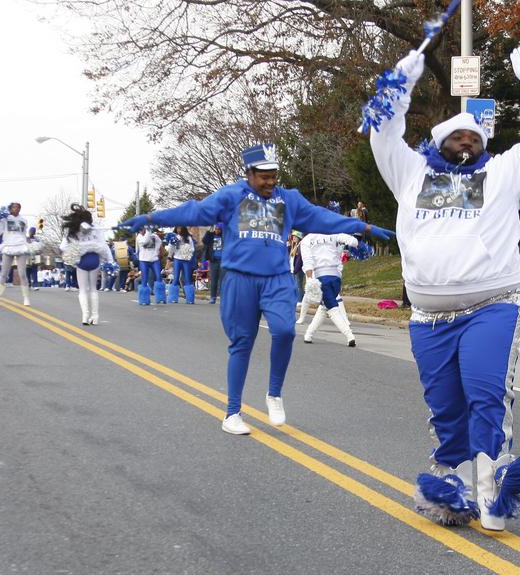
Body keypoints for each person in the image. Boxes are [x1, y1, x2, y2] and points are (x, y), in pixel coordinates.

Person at [370, 46, 520, 531]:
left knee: (485, 395)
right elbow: (383, 131)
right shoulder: (410, 172)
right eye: (457, 136)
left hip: (491, 306)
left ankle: (492, 487)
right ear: (439, 141)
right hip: (428, 317)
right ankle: (454, 485)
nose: (466, 141)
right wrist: (401, 81)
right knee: (446, 407)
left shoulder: (503, 174)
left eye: (475, 136)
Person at [119, 142, 393, 435]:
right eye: (264, 176)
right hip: (240, 279)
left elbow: (321, 217)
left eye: (274, 175)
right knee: (242, 343)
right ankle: (232, 413)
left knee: (285, 331)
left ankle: (274, 393)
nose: (270, 182)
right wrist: (151, 218)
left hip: (276, 279)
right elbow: (192, 212)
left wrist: (361, 227)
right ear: (249, 173)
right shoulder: (231, 196)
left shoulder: (288, 200)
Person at [300, 232, 358, 346]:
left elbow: (308, 262)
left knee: (332, 308)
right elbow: (353, 241)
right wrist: (358, 245)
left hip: (322, 277)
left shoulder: (307, 239)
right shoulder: (334, 232)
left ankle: (350, 336)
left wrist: (310, 280)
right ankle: (309, 334)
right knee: (324, 307)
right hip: (336, 277)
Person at [59, 204, 114, 325]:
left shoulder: (74, 231)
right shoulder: (96, 230)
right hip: (94, 259)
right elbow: (104, 247)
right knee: (93, 288)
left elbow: (63, 247)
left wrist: (75, 248)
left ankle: (85, 316)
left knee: (83, 290)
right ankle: (95, 317)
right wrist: (110, 261)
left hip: (82, 261)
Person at [0, 202, 32, 306]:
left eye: (18, 207)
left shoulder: (23, 220)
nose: (16, 209)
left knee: (22, 273)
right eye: (14, 207)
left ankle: (26, 298)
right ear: (10, 208)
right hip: (8, 246)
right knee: (4, 274)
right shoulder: (4, 219)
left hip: (21, 246)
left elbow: (24, 235)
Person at [166, 226, 196, 304]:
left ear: (183, 229)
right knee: (175, 278)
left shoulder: (188, 237)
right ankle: (173, 298)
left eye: (180, 228)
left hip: (186, 260)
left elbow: (192, 248)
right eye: (177, 228)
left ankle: (190, 299)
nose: (179, 230)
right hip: (177, 259)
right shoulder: (174, 237)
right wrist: (168, 260)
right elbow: (171, 250)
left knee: (187, 279)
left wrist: (188, 255)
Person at [135, 226, 162, 305]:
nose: (141, 231)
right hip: (144, 260)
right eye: (140, 230)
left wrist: (156, 251)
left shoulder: (154, 236)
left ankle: (160, 297)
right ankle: (144, 299)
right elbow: (145, 242)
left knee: (158, 277)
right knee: (144, 279)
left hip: (154, 259)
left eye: (142, 229)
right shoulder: (139, 237)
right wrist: (149, 232)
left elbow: (159, 241)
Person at [202, 223, 224, 303]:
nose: (217, 230)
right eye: (216, 229)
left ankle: (222, 297)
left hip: (223, 261)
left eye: (219, 229)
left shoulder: (224, 236)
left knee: (222, 280)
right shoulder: (211, 236)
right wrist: (209, 231)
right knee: (213, 280)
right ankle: (213, 297)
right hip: (213, 261)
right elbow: (204, 241)